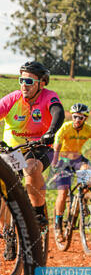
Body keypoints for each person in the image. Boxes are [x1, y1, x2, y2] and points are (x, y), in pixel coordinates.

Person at [0, 61, 64, 243]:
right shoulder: (13, 99)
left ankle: (38, 212)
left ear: (41, 83)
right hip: (12, 150)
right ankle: (6, 229)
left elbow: (58, 111)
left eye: (29, 81)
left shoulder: (48, 96)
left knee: (31, 168)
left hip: (39, 147)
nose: (24, 85)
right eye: (21, 80)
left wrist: (51, 132)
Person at [51, 103, 91, 239]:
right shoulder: (65, 128)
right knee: (63, 192)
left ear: (85, 118)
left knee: (87, 177)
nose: (77, 119)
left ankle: (82, 202)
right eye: (75, 116)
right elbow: (56, 146)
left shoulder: (90, 129)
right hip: (63, 161)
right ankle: (58, 224)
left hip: (78, 159)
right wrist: (54, 163)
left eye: (80, 117)